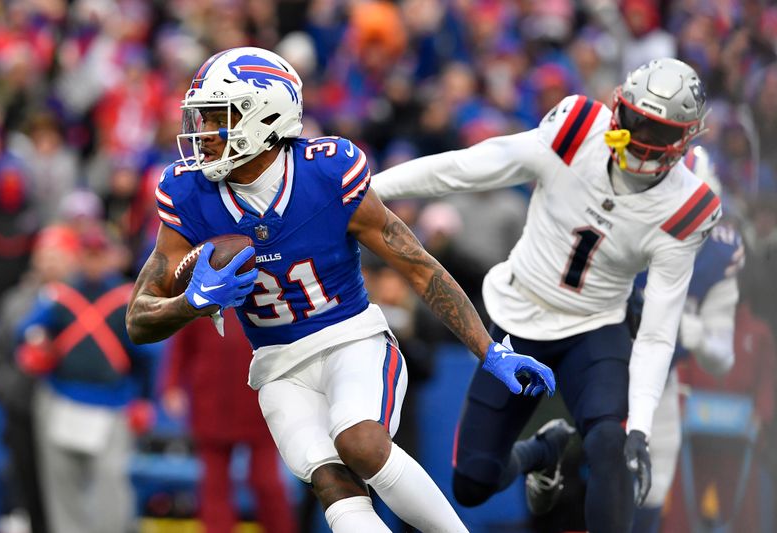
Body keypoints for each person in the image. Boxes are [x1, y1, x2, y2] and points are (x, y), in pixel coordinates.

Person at [125, 46, 555, 532]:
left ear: (264, 116)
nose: (202, 133)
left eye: (216, 117)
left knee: (360, 443)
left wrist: (489, 351)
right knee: (334, 485)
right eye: (201, 118)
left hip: (352, 340)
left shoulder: (326, 172)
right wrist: (192, 303)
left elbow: (417, 265)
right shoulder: (189, 193)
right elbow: (138, 319)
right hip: (277, 368)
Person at [372, 58, 719, 533]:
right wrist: (367, 190)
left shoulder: (688, 207)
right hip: (520, 317)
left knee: (610, 446)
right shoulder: (577, 131)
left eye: (657, 131)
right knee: (472, 482)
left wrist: (639, 425)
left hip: (596, 327)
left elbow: (658, 331)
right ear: (619, 107)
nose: (640, 138)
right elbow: (469, 167)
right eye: (637, 121)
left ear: (685, 139)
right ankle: (543, 449)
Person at [17, 223, 160, 533]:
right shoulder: (59, 295)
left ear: (111, 257)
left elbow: (147, 355)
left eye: (99, 254)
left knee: (111, 486)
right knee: (62, 488)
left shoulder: (127, 299)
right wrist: (35, 342)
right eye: (88, 254)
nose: (93, 260)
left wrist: (145, 401)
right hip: (62, 397)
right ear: (78, 257)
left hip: (111, 405)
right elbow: (27, 331)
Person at [630, 146, 742, 533]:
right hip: (604, 360)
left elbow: (722, 357)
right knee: (603, 470)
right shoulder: (629, 225)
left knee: (652, 481)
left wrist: (697, 335)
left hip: (662, 379)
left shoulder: (719, 253)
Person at [161, 307, 298, 532]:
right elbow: (181, 344)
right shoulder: (201, 291)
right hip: (211, 403)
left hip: (259, 403)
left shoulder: (266, 285)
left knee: (267, 483)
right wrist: (172, 386)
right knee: (215, 486)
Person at [0, 224, 81, 533]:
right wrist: (12, 391)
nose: (51, 262)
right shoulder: (16, 301)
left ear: (72, 259)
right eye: (45, 254)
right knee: (27, 485)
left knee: (70, 492)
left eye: (58, 254)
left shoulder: (85, 301)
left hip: (71, 411)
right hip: (23, 410)